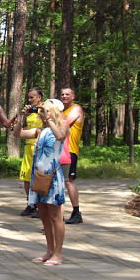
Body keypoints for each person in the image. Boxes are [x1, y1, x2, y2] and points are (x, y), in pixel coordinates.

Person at [13, 99, 70, 266]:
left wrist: (49, 119)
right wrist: (22, 118)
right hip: (38, 177)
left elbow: (60, 136)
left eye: (45, 109)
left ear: (53, 112)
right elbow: (18, 134)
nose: (41, 111)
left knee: (55, 216)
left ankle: (58, 254)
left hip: (52, 178)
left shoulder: (62, 127)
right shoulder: (41, 130)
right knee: (44, 216)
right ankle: (49, 251)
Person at [60, 87, 85, 224]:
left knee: (69, 181)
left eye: (67, 94)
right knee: (59, 181)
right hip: (61, 150)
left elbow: (64, 123)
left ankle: (76, 212)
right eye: (62, 94)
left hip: (70, 150)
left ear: (73, 96)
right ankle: (57, 211)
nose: (64, 96)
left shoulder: (76, 109)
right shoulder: (62, 110)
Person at [18, 88, 44, 218]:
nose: (30, 100)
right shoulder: (30, 112)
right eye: (28, 97)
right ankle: (31, 202)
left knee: (38, 177)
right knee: (26, 177)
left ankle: (41, 204)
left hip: (39, 147)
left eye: (32, 97)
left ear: (39, 97)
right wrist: (24, 116)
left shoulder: (44, 110)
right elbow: (23, 128)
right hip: (28, 147)